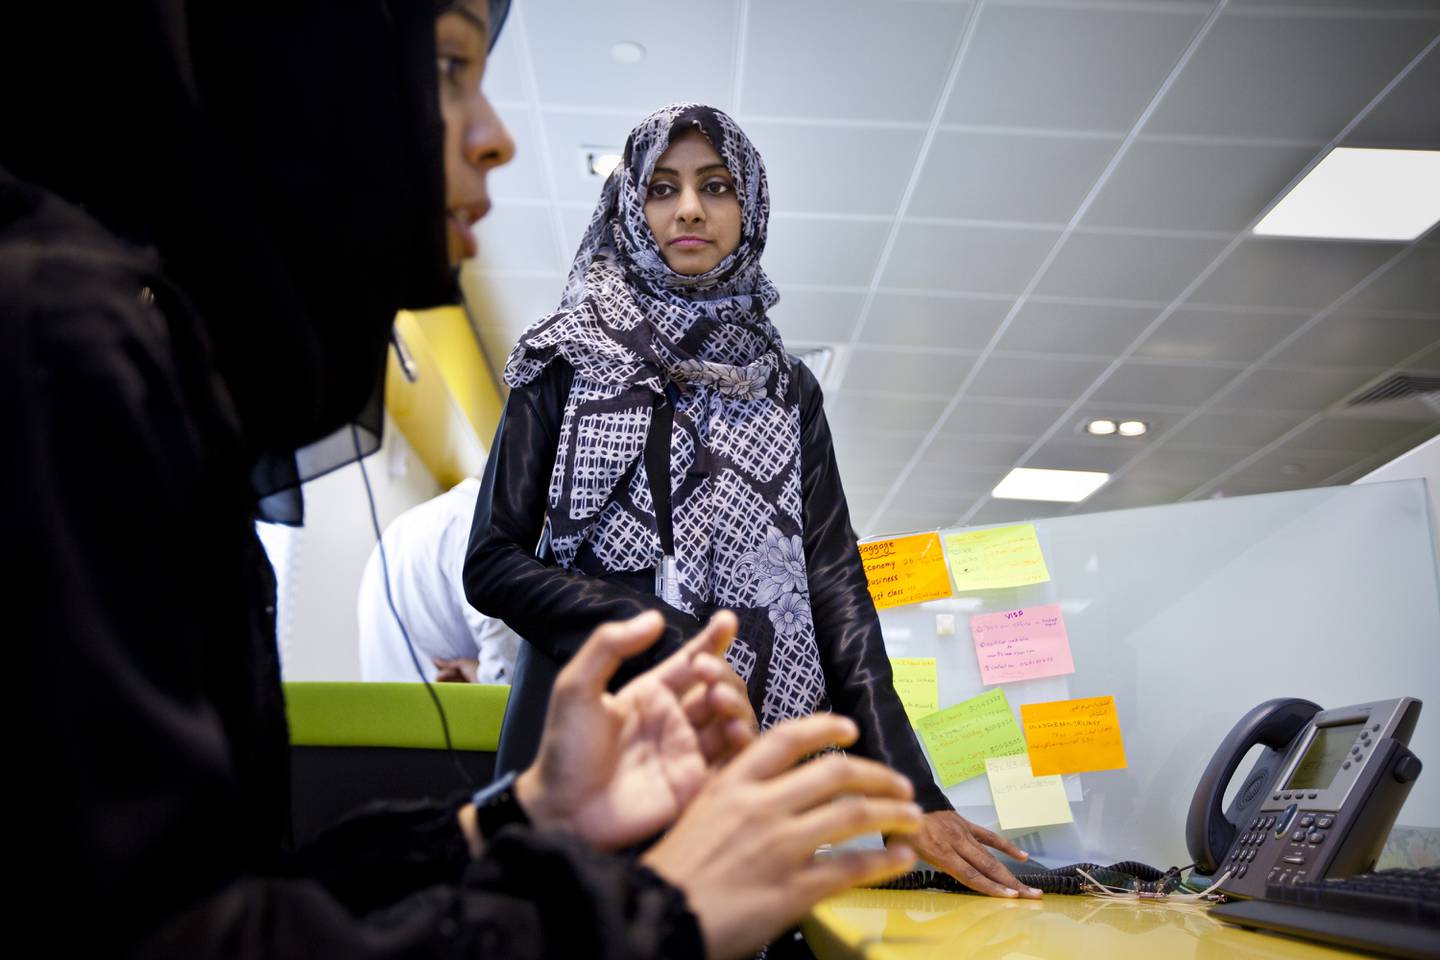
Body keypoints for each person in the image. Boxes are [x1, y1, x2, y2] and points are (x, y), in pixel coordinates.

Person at [3, 1, 925, 955]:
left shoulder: (785, 385)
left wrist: (510, 818)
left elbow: (220, 885)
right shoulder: (59, 347)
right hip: (611, 744)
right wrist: (640, 917)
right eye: (447, 68)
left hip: (643, 771)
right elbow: (179, 932)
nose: (495, 138)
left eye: (717, 186)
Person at [465, 102, 1044, 899]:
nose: (690, 208)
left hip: (742, 757)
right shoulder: (564, 358)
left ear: (751, 208)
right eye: (662, 188)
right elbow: (491, 562)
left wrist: (911, 798)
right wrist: (663, 635)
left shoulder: (784, 388)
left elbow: (837, 593)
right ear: (631, 207)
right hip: (583, 750)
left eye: (716, 186)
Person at [359, 478, 522, 683]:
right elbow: (510, 673)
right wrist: (480, 674)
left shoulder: (402, 528)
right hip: (447, 710)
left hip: (382, 709)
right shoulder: (482, 529)